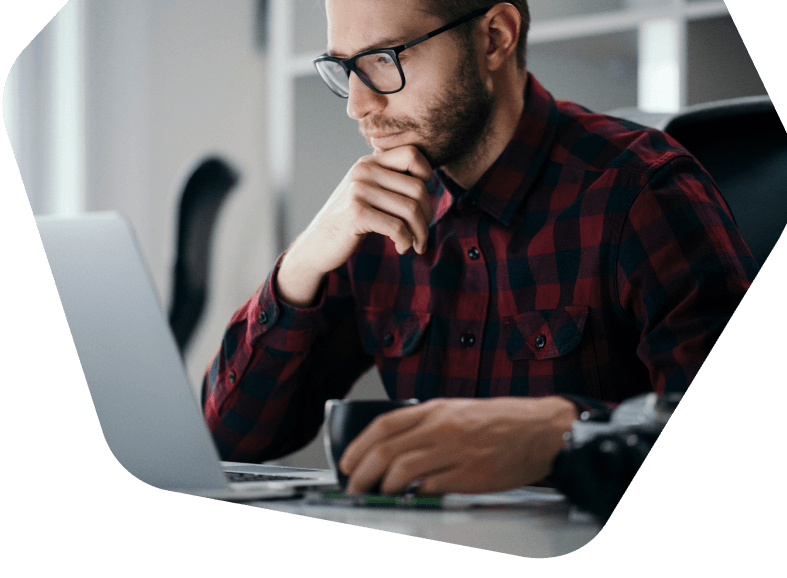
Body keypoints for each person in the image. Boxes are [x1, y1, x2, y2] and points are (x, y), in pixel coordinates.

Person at [201, 0, 758, 497]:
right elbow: (231, 439)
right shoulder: (374, 220)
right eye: (345, 68)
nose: (357, 105)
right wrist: (303, 262)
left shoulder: (643, 192)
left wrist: (565, 435)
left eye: (383, 59)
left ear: (494, 37)